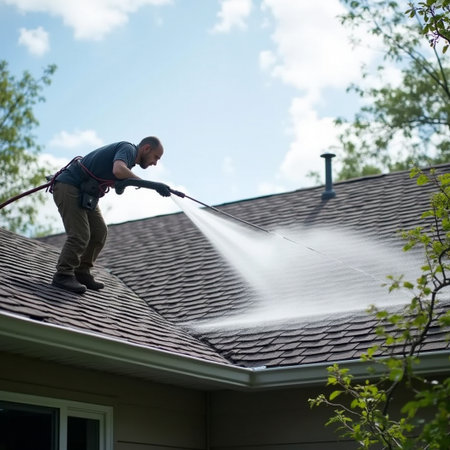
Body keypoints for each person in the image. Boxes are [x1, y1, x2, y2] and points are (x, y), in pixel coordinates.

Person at [51, 137, 171, 294]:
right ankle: (63, 275)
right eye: (156, 157)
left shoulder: (129, 160)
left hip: (85, 192)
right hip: (69, 186)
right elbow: (118, 170)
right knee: (80, 234)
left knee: (99, 232)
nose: (155, 163)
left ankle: (81, 272)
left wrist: (122, 184)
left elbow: (116, 178)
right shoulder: (128, 149)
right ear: (146, 148)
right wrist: (149, 184)